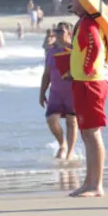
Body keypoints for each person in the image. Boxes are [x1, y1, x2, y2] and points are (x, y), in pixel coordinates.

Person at [63, 0, 108, 198]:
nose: (70, 1)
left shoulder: (89, 24)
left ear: (84, 0)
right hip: (82, 82)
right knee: (86, 134)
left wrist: (86, 67)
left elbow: (95, 46)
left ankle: (97, 185)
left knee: (92, 133)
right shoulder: (83, 21)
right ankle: (88, 182)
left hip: (91, 84)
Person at [39, 22, 77, 160]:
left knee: (71, 121)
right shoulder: (51, 51)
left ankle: (70, 152)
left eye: (61, 31)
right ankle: (62, 144)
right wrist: (42, 92)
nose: (58, 34)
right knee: (51, 119)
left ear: (70, 33)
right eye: (56, 31)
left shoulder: (76, 51)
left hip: (72, 92)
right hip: (55, 92)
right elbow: (46, 74)